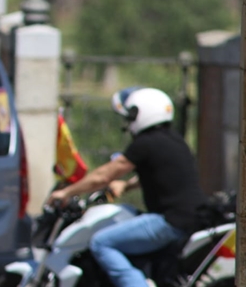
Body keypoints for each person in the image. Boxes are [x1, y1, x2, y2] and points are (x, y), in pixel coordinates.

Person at [48, 87, 205, 287]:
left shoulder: (145, 143)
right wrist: (126, 186)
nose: (127, 123)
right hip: (191, 217)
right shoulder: (174, 140)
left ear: (141, 113)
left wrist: (65, 192)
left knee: (101, 242)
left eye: (130, 117)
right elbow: (158, 175)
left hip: (170, 221)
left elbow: (103, 176)